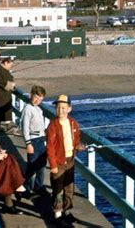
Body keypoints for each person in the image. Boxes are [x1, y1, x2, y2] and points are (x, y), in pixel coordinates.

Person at [46, 94, 84, 226]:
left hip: (70, 160)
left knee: (69, 186)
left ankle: (66, 210)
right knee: (58, 187)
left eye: (63, 108)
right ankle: (57, 213)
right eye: (58, 107)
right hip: (58, 161)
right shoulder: (53, 125)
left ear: (69, 109)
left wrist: (78, 146)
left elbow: (76, 139)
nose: (60, 110)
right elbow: (50, 147)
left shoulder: (73, 123)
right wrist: (53, 165)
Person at [20, 85, 49, 198]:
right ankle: (27, 189)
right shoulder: (27, 109)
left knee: (41, 165)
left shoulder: (39, 109)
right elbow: (25, 128)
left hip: (41, 140)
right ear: (31, 95)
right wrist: (28, 144)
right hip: (33, 140)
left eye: (41, 99)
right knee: (32, 166)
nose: (38, 101)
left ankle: (39, 186)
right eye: (36, 97)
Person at [0, 57, 19, 135]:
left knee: (0, 111)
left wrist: (12, 84)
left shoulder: (2, 70)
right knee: (5, 110)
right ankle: (9, 127)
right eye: (10, 65)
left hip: (1, 94)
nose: (10, 66)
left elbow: (8, 78)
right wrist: (12, 85)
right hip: (0, 94)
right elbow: (1, 82)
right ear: (6, 63)